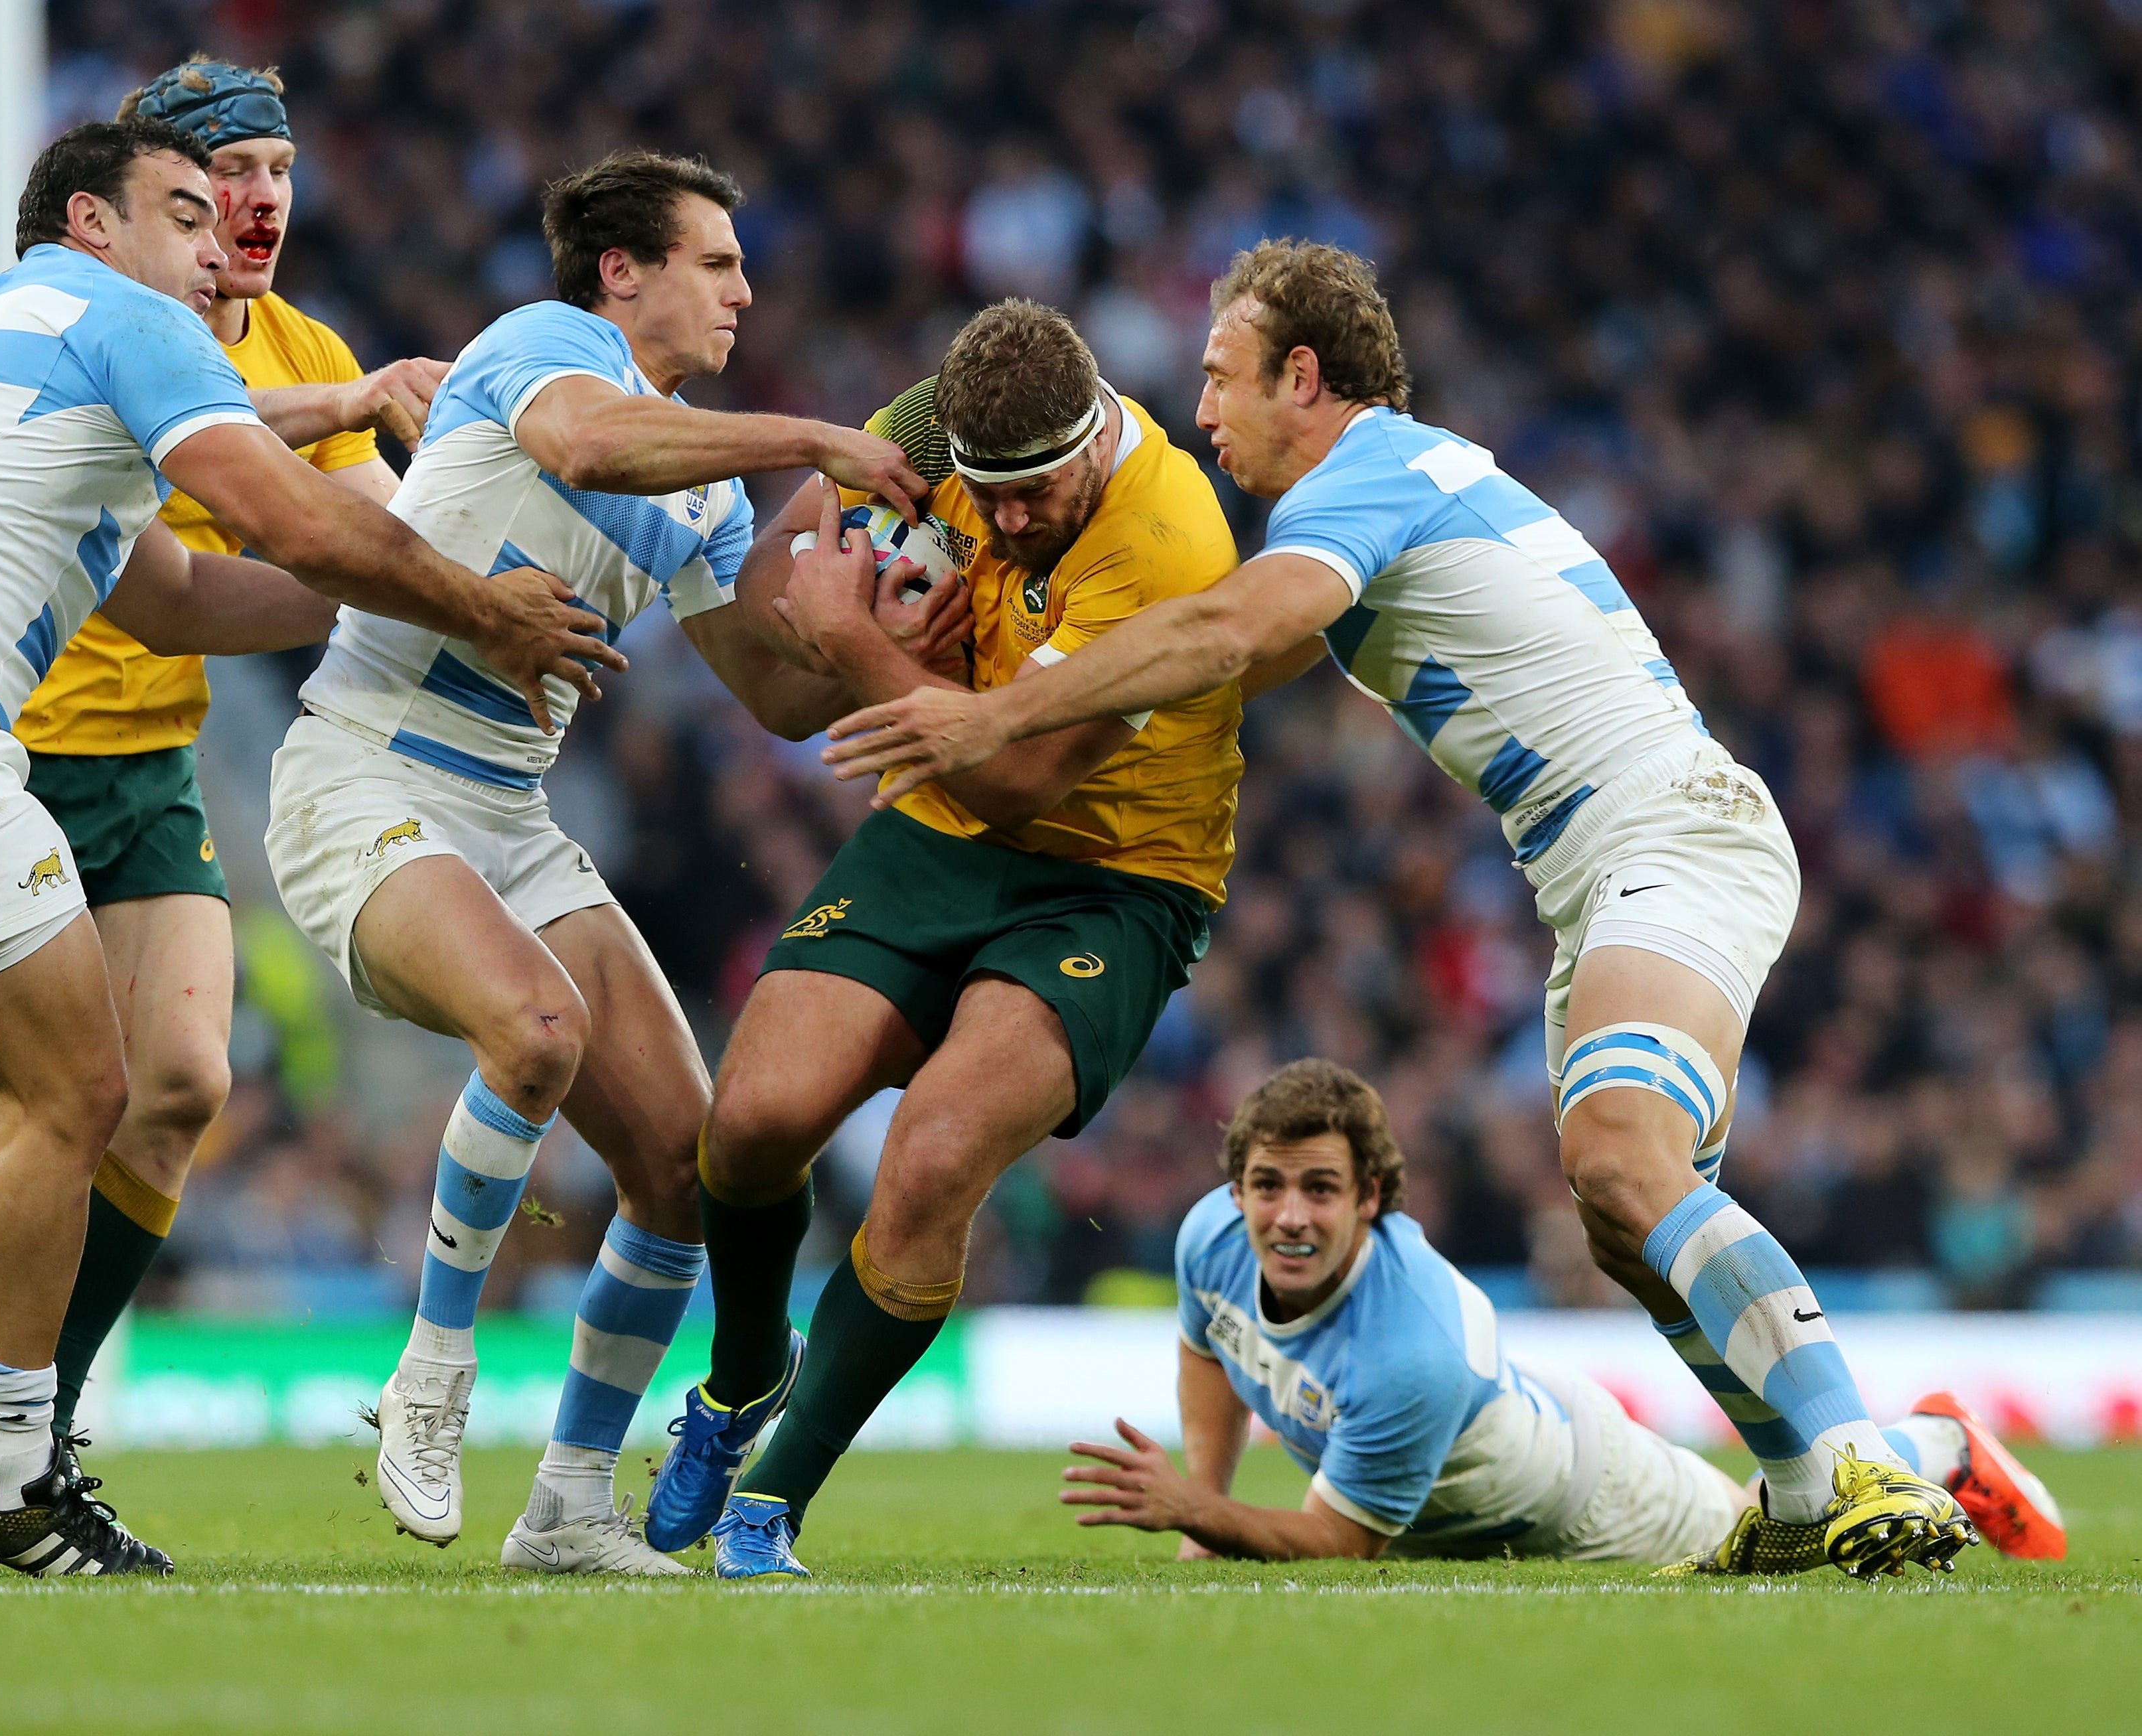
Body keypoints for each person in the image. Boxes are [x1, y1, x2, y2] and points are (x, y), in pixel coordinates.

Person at [819, 240, 1977, 1577]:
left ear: (1301, 376)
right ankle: (1821, 1481)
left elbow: (1230, 635)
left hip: (1671, 826)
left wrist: (995, 712)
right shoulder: (1383, 498)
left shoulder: (1362, 480)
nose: (1200, 412)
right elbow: (1199, 669)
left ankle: (1862, 1464)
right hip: (1596, 867)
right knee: (1625, 1208)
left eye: (1221, 377)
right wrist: (991, 646)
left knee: (1618, 1150)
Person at [0, 117, 615, 1579]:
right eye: (182, 213)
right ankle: (4, 1476)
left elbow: (174, 601)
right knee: (81, 1086)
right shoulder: (123, 317)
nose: (218, 243)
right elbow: (288, 517)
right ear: (89, 219)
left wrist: (383, 599)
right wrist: (480, 601)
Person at [0, 54, 452, 1514]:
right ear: (130, 208)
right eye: (216, 183)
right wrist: (453, 572)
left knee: (178, 1084)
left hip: (146, 752)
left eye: (274, 172)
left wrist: (446, 576)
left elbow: (346, 541)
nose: (250, 208)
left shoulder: (301, 339)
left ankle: (26, 1432)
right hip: (7, 738)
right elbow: (273, 509)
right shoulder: (134, 319)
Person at [264, 148, 946, 1576]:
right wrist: (809, 437)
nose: (745, 292)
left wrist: (878, 629)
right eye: (717, 262)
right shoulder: (541, 349)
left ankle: (569, 1505)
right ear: (622, 272)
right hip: (363, 775)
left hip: (511, 818)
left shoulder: (699, 494)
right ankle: (431, 1375)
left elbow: (769, 694)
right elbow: (588, 448)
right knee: (536, 1030)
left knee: (687, 1172)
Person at [646, 299, 1296, 1581]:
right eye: (984, 497)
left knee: (934, 1154)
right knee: (753, 1123)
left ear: (1095, 434)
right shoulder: (926, 425)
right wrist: (854, 627)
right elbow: (790, 572)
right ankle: (738, 1383)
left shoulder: (1164, 542)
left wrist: (858, 649)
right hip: (934, 835)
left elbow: (1022, 776)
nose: (1003, 522)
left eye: (1033, 494)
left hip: (1115, 878)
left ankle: (773, 1501)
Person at [1059, 1059, 2067, 1568]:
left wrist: (1198, 1512)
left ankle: (1937, 1446)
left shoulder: (1406, 1351)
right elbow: (1211, 1350)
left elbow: (1340, 1550)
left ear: (1373, 1198)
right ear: (1235, 1187)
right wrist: (1206, 1498)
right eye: (1267, 1184)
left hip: (1585, 1495)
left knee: (1788, 1539)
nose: (1287, 1214)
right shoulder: (1209, 1238)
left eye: (1320, 1189)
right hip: (1478, 1472)